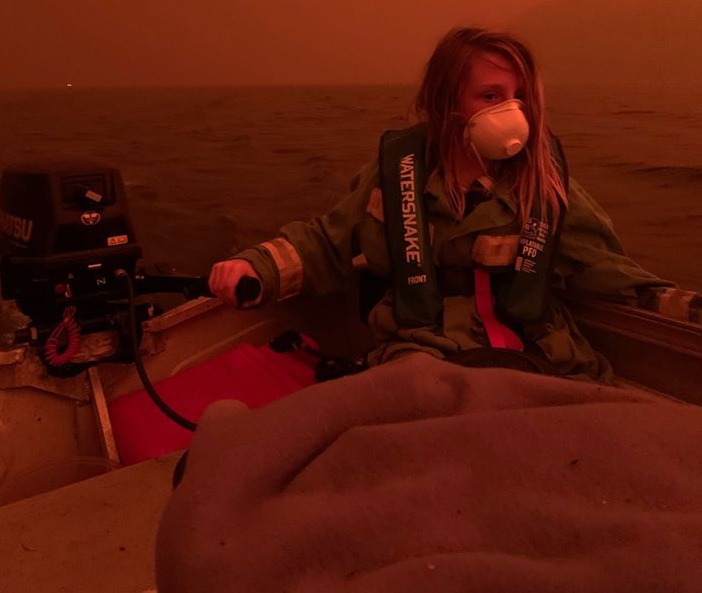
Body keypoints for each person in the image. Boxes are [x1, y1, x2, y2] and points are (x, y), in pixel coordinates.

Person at [208, 27, 700, 382]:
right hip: (427, 353)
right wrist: (257, 267)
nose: (513, 111)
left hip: (540, 350)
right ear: (448, 103)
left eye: (520, 97)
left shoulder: (544, 184)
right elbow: (326, 242)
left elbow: (607, 269)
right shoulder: (396, 178)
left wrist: (681, 306)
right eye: (491, 95)